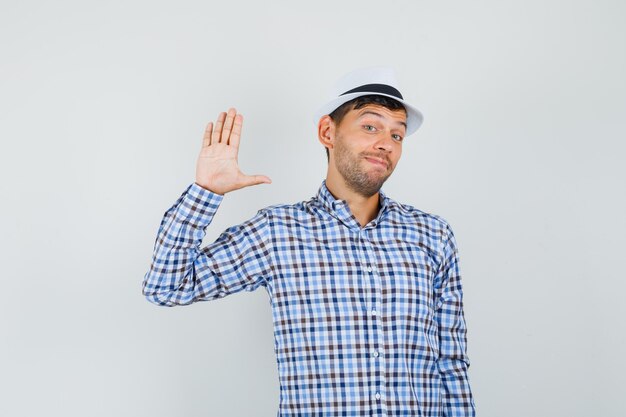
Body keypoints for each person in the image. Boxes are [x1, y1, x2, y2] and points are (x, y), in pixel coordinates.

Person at [142, 67, 476, 416]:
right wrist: (206, 191)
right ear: (327, 132)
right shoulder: (277, 232)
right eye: (370, 126)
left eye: (397, 135)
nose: (385, 144)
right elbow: (166, 287)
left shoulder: (433, 235)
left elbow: (450, 363)